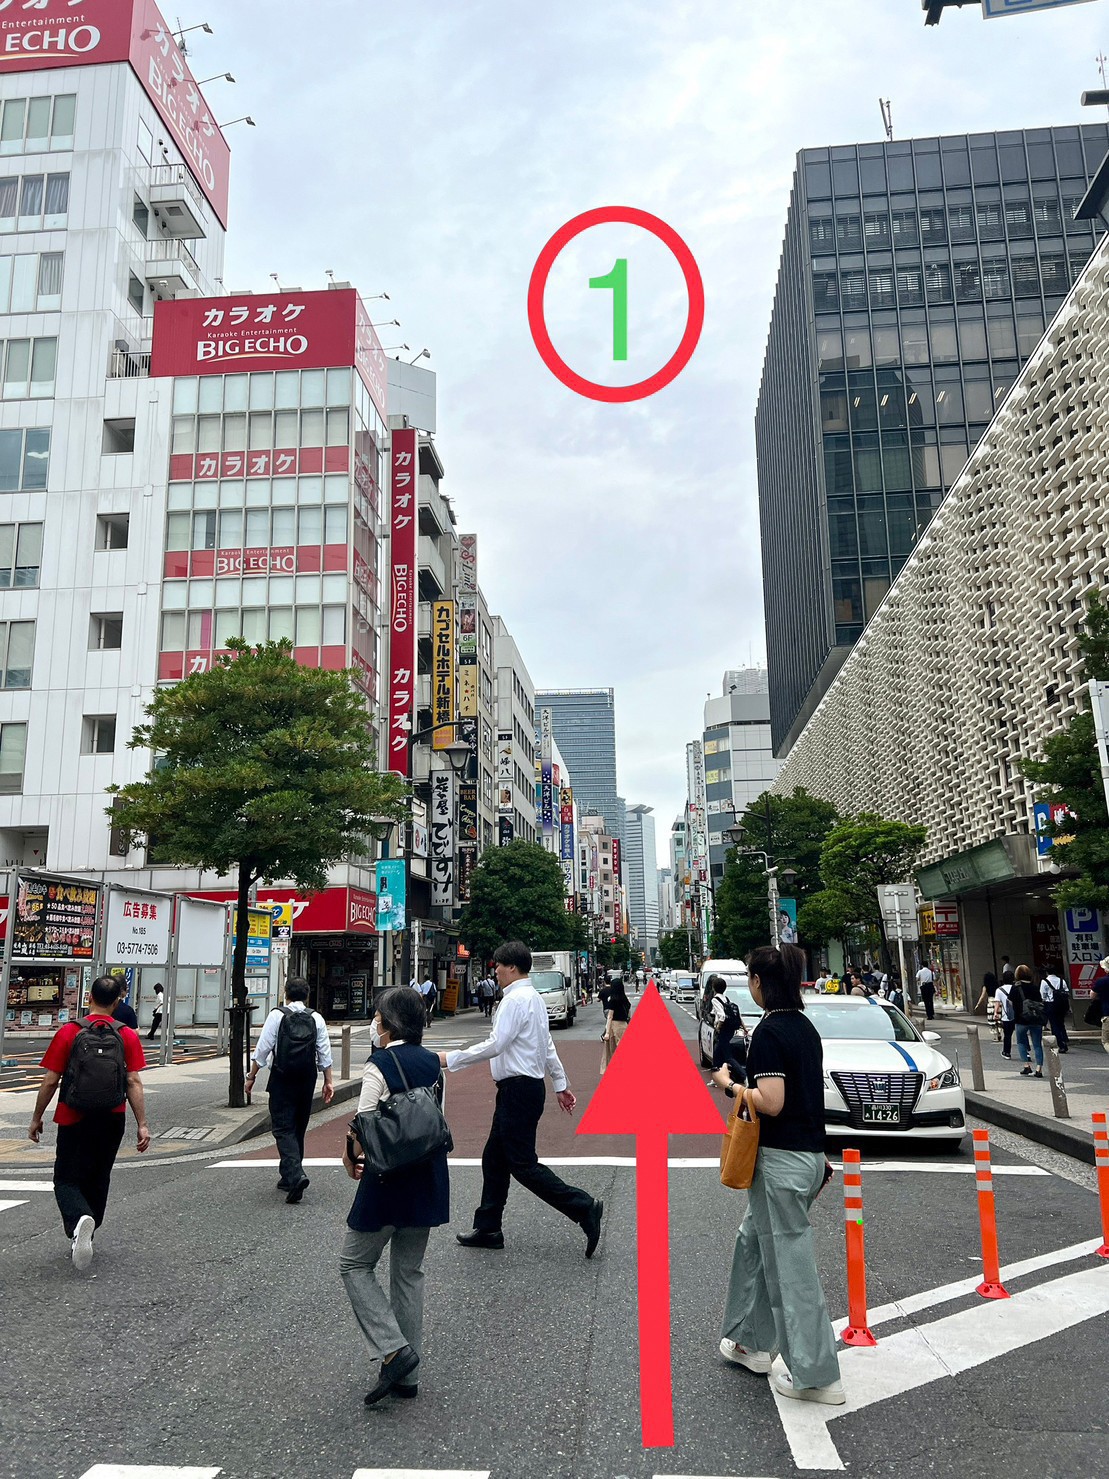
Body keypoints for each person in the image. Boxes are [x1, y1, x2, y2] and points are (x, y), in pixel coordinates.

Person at [712, 943, 843, 1406]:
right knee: (753, 1242)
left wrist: (730, 1085)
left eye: (750, 977)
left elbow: (772, 1102)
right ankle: (750, 1342)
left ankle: (817, 1375)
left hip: (781, 1161)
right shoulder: (804, 1027)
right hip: (806, 1156)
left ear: (759, 982)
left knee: (791, 1267)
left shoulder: (770, 1031)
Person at [442, 939, 603, 1256]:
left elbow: (496, 1044)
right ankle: (488, 1227)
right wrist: (559, 1083)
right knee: (494, 1159)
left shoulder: (515, 1000)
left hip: (517, 1090)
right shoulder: (533, 998)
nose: (496, 971)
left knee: (522, 1164)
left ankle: (584, 1207)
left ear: (512, 967)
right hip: (523, 1089)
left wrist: (451, 1059)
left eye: (498, 966)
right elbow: (546, 1045)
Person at [340, 986, 449, 1407]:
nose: (375, 1024)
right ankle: (408, 1377)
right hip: (427, 1176)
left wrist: (349, 1154)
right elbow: (436, 1120)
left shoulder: (380, 1063)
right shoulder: (433, 1063)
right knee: (408, 1273)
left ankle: (393, 1349)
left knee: (354, 1263)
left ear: (388, 1024)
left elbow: (363, 1120)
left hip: (386, 1179)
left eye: (378, 1018)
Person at [27, 974, 151, 1270]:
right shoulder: (127, 1035)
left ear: (89, 998)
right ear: (117, 1002)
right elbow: (133, 1081)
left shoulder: (69, 1032)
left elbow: (50, 1080)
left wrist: (36, 1118)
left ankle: (79, 1221)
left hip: (73, 1115)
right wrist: (142, 1124)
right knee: (99, 1175)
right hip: (112, 1116)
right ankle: (88, 1228)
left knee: (66, 1178)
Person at [245, 976, 335, 1202]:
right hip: (307, 1078)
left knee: (283, 1128)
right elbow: (324, 1052)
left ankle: (295, 1176)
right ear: (307, 995)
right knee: (298, 1126)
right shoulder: (316, 1018)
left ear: (285, 994)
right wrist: (328, 1081)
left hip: (282, 1077)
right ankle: (288, 1176)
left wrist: (251, 1076)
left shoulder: (277, 1015)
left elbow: (263, 1048)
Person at [1011, 964, 1045, 1078]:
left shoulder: (1015, 988)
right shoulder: (1035, 987)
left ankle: (1027, 1065)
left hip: (1020, 1019)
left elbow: (1010, 1003)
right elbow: (1040, 1002)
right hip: (1035, 1019)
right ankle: (1039, 1068)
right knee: (1037, 1044)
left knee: (1021, 1042)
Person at [600, 974, 632, 1073]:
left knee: (611, 1052)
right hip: (624, 1026)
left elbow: (610, 1017)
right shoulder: (626, 1000)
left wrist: (607, 1032)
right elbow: (629, 1014)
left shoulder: (613, 1000)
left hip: (614, 1027)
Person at [1041, 963, 1069, 1052]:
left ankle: (1060, 1044)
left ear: (1046, 972)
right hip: (1062, 1004)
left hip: (1050, 1004)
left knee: (1054, 1024)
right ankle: (1064, 1039)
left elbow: (1042, 995)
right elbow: (1067, 992)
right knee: (1061, 1023)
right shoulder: (1061, 981)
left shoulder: (1044, 981)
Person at [996, 972, 1017, 1059]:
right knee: (1022, 1034)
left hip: (1006, 1016)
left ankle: (1006, 1052)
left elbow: (997, 1003)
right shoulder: (1017, 988)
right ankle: (1026, 1052)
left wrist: (996, 1013)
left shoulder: (999, 990)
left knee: (1007, 1035)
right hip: (1018, 1015)